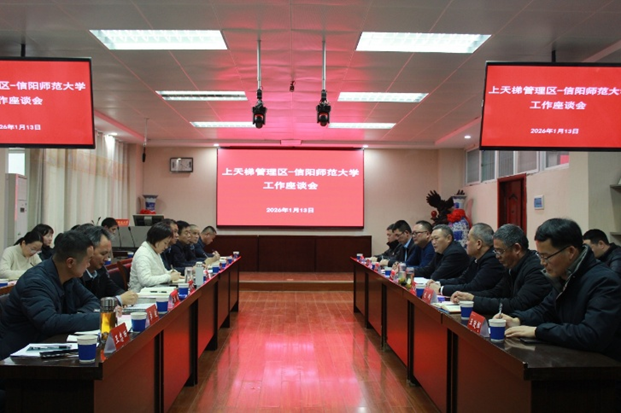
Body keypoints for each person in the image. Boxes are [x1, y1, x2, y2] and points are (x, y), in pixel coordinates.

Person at [498, 218, 621, 363]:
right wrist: (517, 320)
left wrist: (538, 331)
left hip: (602, 367)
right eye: (540, 256)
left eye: (546, 257)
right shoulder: (565, 275)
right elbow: (545, 310)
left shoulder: (604, 281)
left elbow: (591, 334)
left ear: (570, 252)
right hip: (571, 359)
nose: (542, 263)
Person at [0, 230, 99, 360]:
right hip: (19, 357)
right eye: (88, 260)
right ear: (70, 262)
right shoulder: (35, 282)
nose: (89, 265)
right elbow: (49, 322)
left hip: (51, 347)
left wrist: (79, 315)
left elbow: (92, 301)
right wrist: (101, 319)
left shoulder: (68, 276)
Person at [451, 224, 551, 314]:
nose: (497, 256)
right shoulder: (511, 265)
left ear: (517, 248)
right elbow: (497, 292)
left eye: (500, 251)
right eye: (495, 251)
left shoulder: (535, 268)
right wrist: (468, 296)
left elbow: (518, 304)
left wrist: (474, 300)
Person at [427, 223, 505, 297]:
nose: (466, 243)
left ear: (478, 244)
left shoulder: (492, 260)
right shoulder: (475, 258)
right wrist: (439, 283)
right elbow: (462, 280)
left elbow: (474, 287)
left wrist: (441, 289)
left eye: (468, 239)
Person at [79, 226, 138, 306]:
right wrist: (119, 300)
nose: (106, 259)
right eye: (103, 254)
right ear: (89, 250)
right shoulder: (77, 275)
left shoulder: (101, 270)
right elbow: (88, 305)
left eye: (108, 254)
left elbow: (114, 289)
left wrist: (127, 297)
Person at [129, 222, 181, 292]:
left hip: (155, 290)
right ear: (156, 240)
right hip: (140, 294)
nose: (166, 247)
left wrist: (172, 273)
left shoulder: (154, 250)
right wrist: (169, 277)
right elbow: (145, 280)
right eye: (165, 243)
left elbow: (161, 272)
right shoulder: (143, 254)